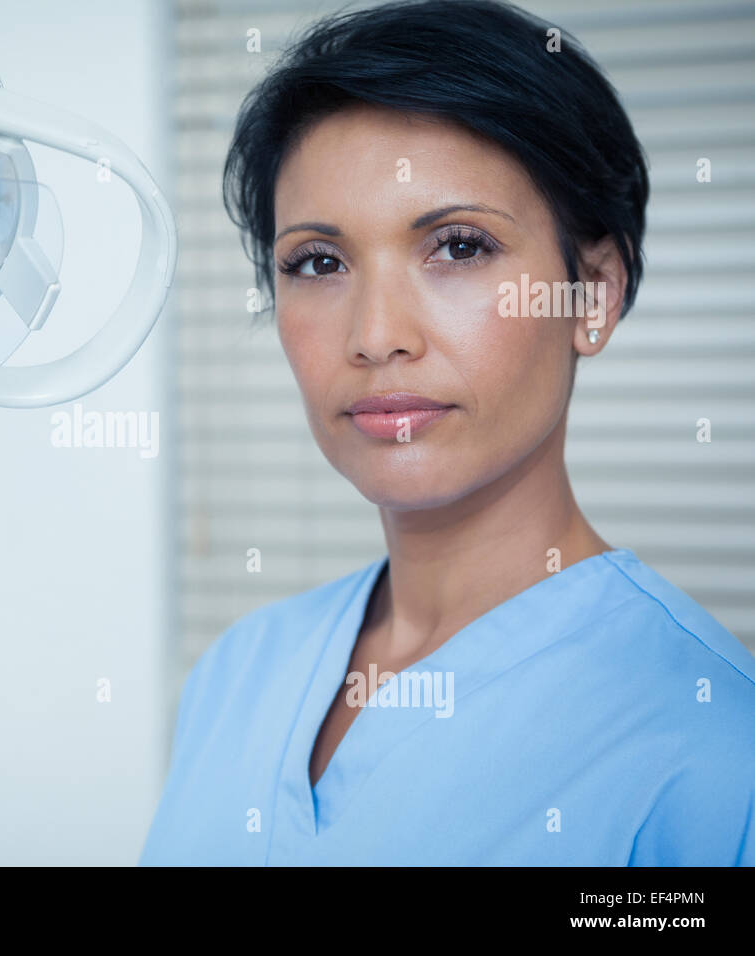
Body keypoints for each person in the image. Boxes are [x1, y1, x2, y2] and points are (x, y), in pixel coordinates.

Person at [140, 0, 755, 865]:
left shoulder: (717, 754)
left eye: (459, 247)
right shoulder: (237, 675)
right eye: (319, 262)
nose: (377, 333)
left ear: (594, 292)